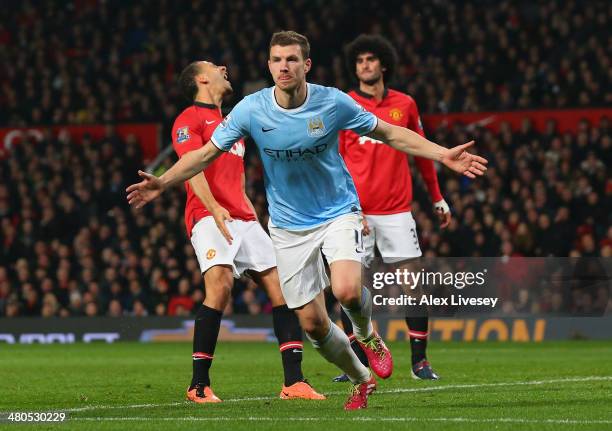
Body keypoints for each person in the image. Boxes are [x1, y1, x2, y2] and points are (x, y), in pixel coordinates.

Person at [127, 31, 487, 410]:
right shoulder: (251, 109)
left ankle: (367, 335)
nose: (284, 66)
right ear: (269, 66)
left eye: (292, 59)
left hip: (338, 212)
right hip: (288, 227)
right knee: (313, 325)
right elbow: (203, 156)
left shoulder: (332, 102)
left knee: (347, 289)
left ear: (306, 65)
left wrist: (443, 154)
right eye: (277, 60)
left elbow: (390, 133)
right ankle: (361, 380)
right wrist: (164, 182)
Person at [172, 61, 324, 403]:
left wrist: (251, 213)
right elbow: (190, 169)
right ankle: (198, 385)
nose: (225, 67)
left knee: (282, 290)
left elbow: (235, 177)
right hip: (208, 216)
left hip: (243, 216)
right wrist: (214, 209)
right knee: (221, 286)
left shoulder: (232, 124)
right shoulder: (189, 120)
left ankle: (294, 382)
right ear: (201, 79)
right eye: (214, 66)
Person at [335, 34, 449, 383]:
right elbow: (336, 160)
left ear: (383, 64)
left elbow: (423, 152)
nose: (365, 65)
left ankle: (420, 363)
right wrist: (349, 207)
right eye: (359, 61)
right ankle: (357, 365)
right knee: (350, 287)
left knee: (413, 284)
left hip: (397, 210)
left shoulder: (406, 105)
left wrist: (437, 196)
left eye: (371, 59)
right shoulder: (345, 105)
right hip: (357, 212)